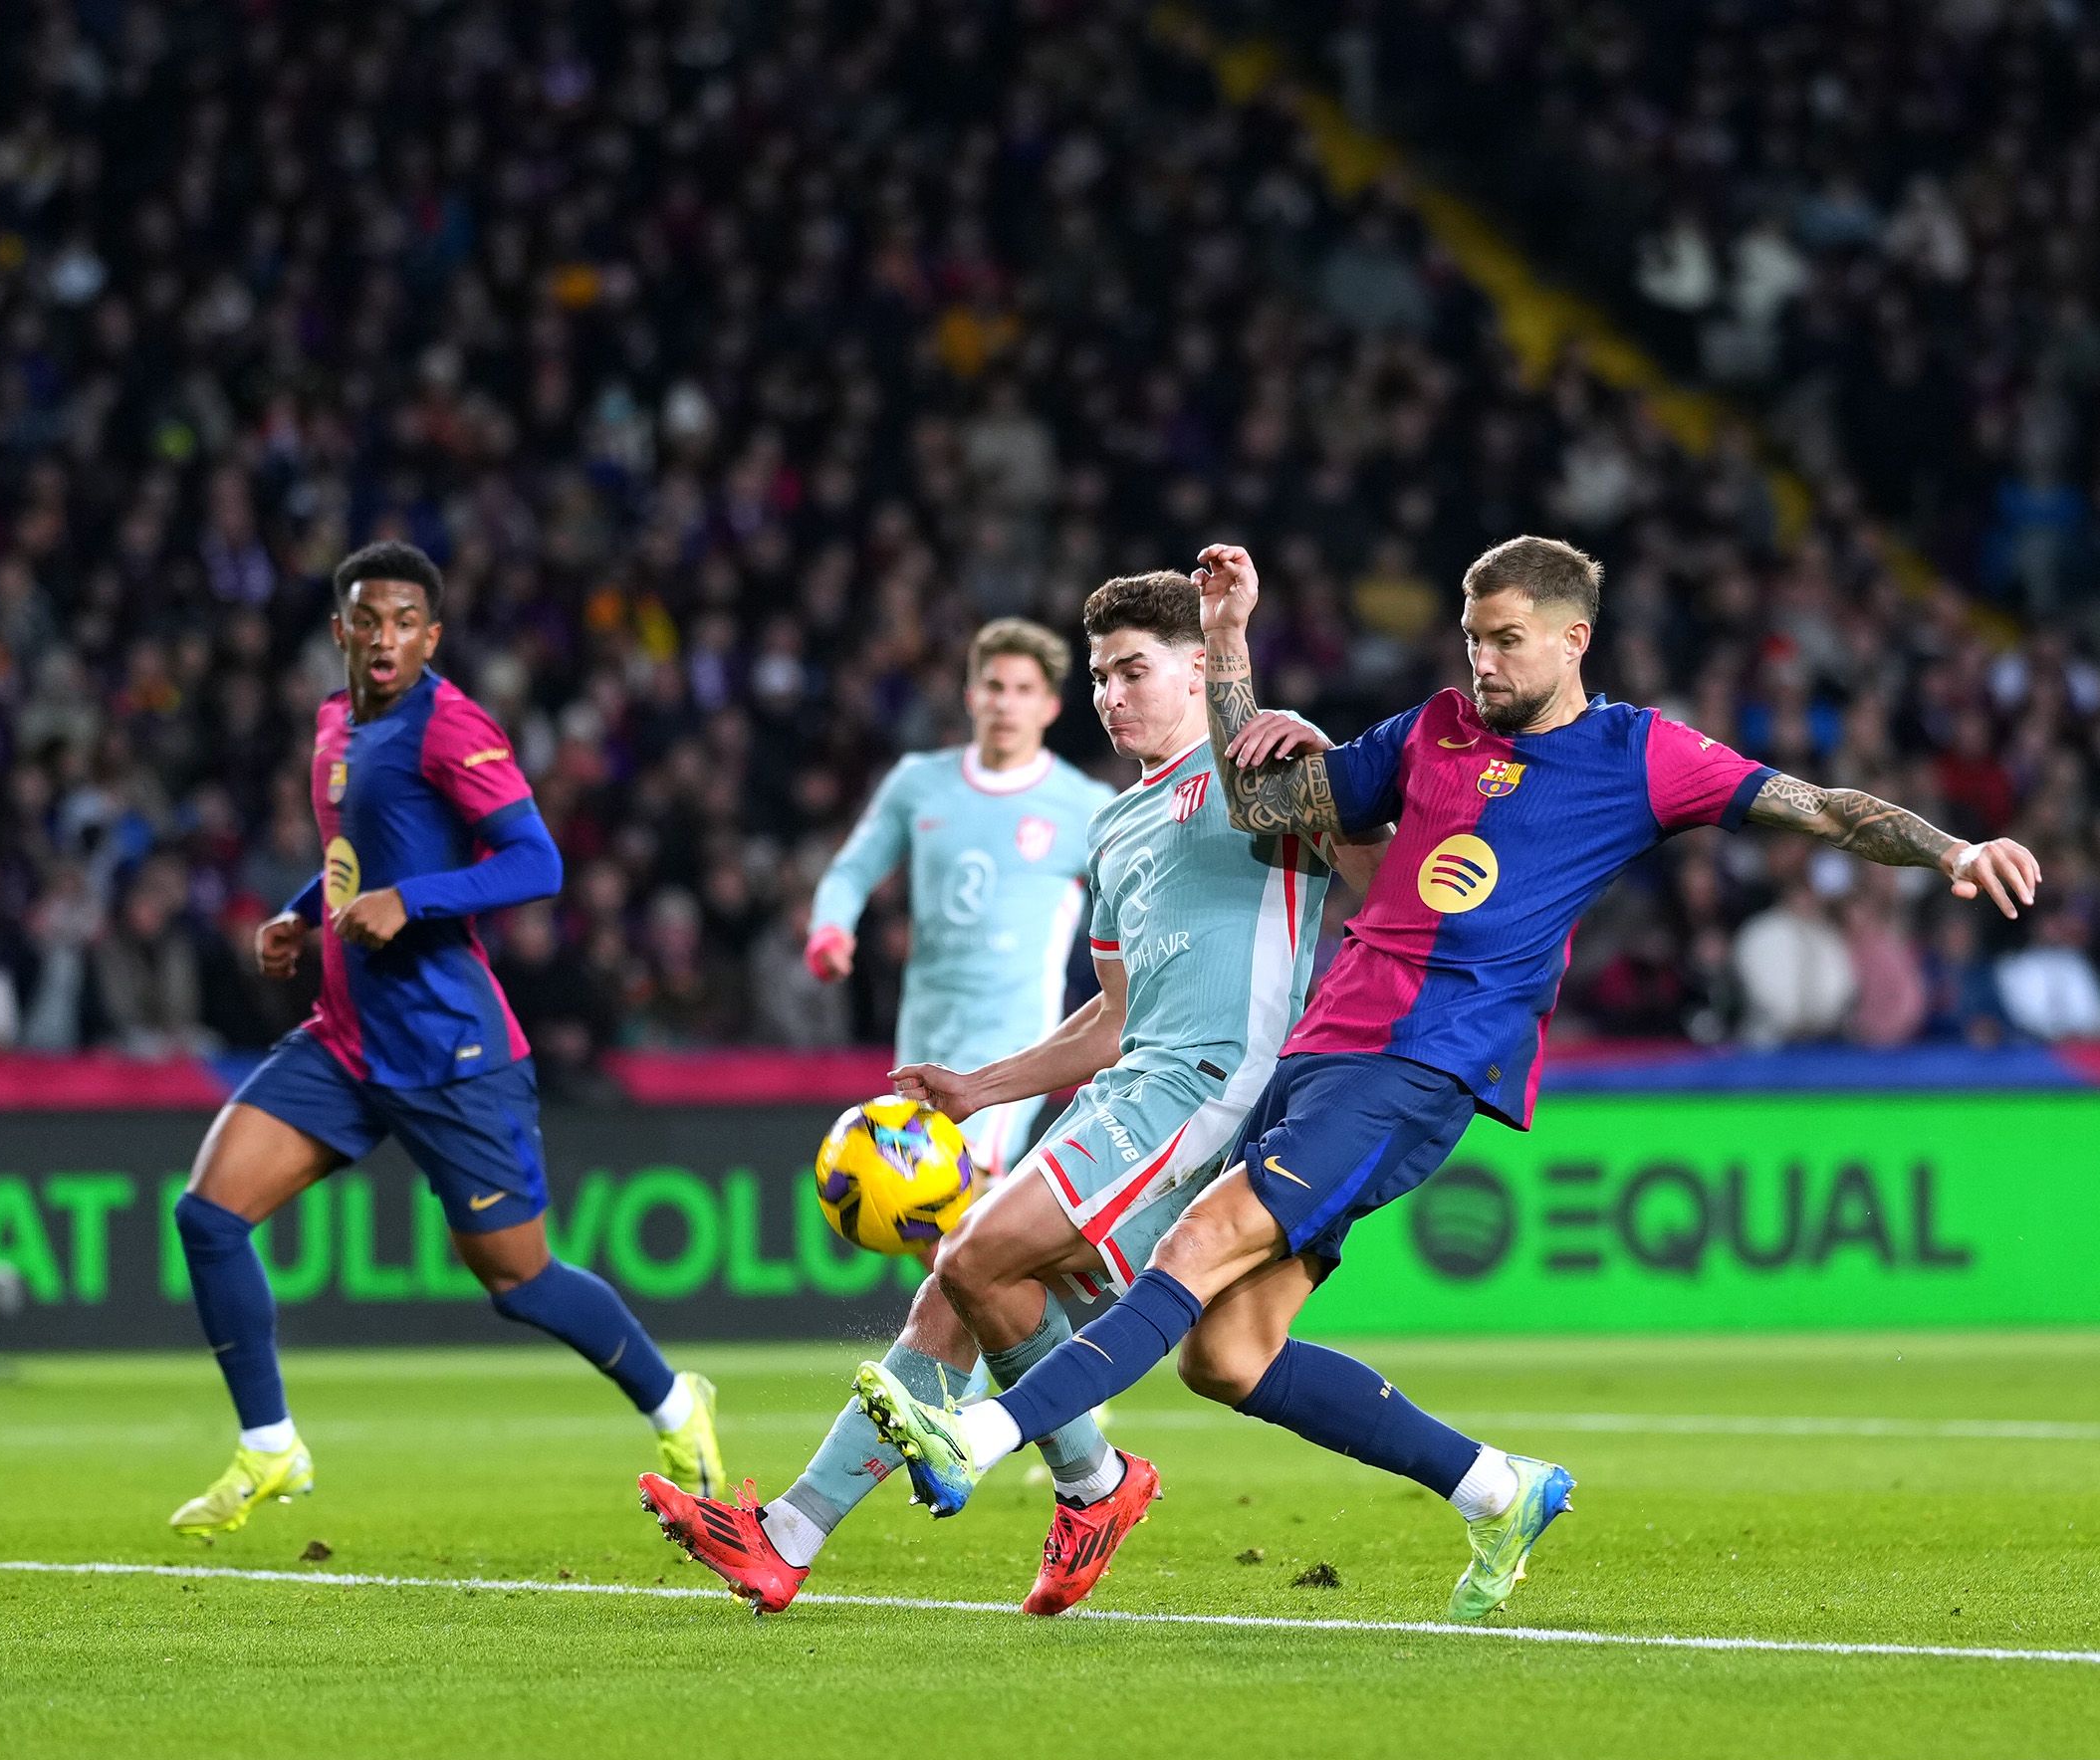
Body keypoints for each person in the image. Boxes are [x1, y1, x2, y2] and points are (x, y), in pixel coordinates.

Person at [854, 536, 2041, 1623]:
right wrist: (1230, 655)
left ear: (1575, 638)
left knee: (1190, 1250)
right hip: (1325, 1053)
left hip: (1422, 1064)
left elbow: (1819, 806)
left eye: (1508, 639)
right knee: (1227, 1358)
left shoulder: (1641, 755)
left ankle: (983, 1434)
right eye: (1473, 637)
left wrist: (1951, 847)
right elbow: (1265, 801)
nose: (1483, 660)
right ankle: (1498, 1489)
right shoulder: (1431, 732)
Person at [643, 575, 1374, 1616]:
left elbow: (1385, 873)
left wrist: (1299, 743)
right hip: (1135, 1084)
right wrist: (979, 1089)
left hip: (1213, 1094)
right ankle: (791, 1539)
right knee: (962, 1289)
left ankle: (1092, 1483)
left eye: (1135, 670)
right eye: (1101, 677)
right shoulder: (1116, 824)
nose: (1112, 696)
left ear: (1201, 669)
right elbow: (1112, 1015)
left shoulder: (1257, 771)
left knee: (973, 1251)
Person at [164, 542, 724, 1536]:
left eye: (405, 623)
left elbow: (535, 862)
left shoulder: (450, 724)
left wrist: (411, 902)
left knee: (519, 1281)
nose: (385, 639)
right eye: (367, 621)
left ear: (431, 634)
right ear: (340, 631)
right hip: (344, 1038)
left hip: (450, 1047)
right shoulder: (336, 724)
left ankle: (676, 1404)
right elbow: (359, 858)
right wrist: (303, 912)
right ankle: (269, 1448)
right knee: (207, 1217)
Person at [803, 618, 1116, 1181]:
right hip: (924, 1026)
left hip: (1014, 1036)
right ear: (972, 697)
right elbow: (851, 872)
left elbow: (1134, 908)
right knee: (921, 1212)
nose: (1006, 704)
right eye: (995, 687)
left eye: (1024, 691)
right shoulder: (919, 783)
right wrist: (831, 930)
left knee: (962, 1188)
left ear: (1049, 707)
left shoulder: (1084, 806)